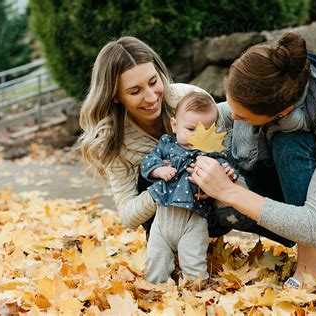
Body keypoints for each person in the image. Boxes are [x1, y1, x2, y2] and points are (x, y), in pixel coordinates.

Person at [190, 32, 316, 288]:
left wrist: (230, 191)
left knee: (288, 142)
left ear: (283, 111)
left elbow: (314, 226)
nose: (236, 120)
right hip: (310, 181)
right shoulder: (275, 84)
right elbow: (214, 115)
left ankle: (310, 273)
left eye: (244, 117)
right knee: (229, 205)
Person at [78, 36, 293, 263]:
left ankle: (296, 227)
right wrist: (165, 187)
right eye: (135, 91)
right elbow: (128, 215)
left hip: (211, 203)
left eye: (153, 82)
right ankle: (169, 251)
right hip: (168, 216)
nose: (151, 97)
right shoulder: (115, 142)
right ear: (116, 96)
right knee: (146, 175)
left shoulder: (185, 98)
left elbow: (220, 143)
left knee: (247, 166)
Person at [141, 91, 236, 284]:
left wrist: (228, 173)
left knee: (193, 261)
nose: (197, 137)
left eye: (206, 130)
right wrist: (158, 170)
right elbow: (147, 161)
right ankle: (155, 288)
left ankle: (197, 289)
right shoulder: (167, 145)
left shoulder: (213, 153)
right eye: (191, 129)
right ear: (175, 125)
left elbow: (223, 172)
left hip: (193, 219)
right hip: (163, 218)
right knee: (156, 258)